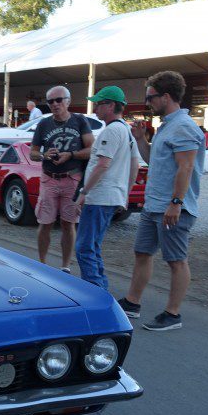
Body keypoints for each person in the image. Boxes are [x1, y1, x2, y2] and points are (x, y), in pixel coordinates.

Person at [117, 71, 205, 332]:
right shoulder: (169, 125)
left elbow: (186, 168)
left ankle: (172, 313)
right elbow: (155, 159)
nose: (148, 103)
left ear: (166, 96)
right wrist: (141, 140)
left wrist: (176, 203)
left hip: (173, 208)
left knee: (176, 260)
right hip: (154, 205)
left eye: (151, 97)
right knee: (142, 253)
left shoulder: (185, 127)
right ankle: (132, 303)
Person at [74, 86, 140, 290]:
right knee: (92, 246)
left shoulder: (111, 131)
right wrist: (125, 193)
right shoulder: (126, 131)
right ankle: (100, 289)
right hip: (112, 196)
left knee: (85, 247)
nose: (95, 109)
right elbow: (135, 164)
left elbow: (103, 164)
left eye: (98, 104)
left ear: (111, 106)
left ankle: (95, 291)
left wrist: (84, 192)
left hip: (100, 196)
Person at [29, 85, 94, 273]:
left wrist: (71, 154)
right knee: (45, 222)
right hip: (49, 178)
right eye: (51, 101)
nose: (55, 104)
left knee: (68, 222)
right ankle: (41, 263)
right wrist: (43, 154)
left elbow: (92, 149)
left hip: (72, 178)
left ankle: (66, 266)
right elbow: (33, 152)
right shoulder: (43, 124)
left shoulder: (80, 121)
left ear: (68, 101)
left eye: (59, 100)